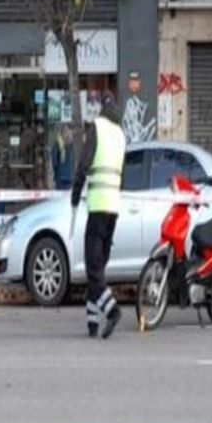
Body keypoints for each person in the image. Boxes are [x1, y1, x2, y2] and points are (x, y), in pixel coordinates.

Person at [71, 92, 126, 339]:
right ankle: (92, 322)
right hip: (113, 206)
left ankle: (111, 310)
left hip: (97, 205)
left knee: (93, 266)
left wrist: (75, 192)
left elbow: (84, 164)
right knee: (99, 265)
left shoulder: (97, 129)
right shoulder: (121, 135)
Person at [51, 123, 75, 189]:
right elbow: (73, 161)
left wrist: (55, 173)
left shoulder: (57, 143)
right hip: (70, 176)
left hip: (60, 177)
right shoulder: (71, 144)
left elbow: (54, 161)